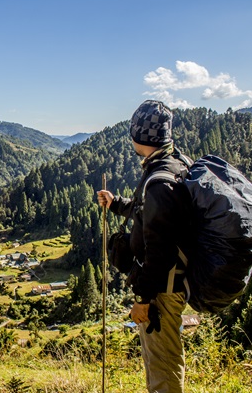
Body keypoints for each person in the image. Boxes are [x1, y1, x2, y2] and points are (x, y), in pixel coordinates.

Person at [97, 100, 193, 393]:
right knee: (164, 357)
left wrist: (143, 299)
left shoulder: (160, 182)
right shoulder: (174, 165)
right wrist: (117, 204)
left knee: (162, 362)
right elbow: (149, 216)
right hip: (170, 282)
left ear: (140, 136)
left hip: (163, 289)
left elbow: (159, 250)